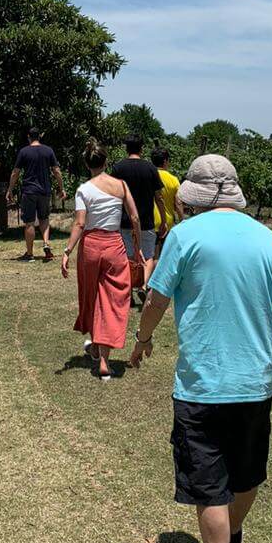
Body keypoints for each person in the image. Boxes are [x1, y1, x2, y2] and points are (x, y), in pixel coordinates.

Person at [128, 155, 272, 543]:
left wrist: (143, 340)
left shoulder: (185, 236)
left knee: (210, 486)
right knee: (245, 475)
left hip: (202, 384)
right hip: (255, 382)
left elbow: (157, 298)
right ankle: (231, 538)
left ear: (194, 198)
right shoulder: (267, 238)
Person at [61, 140, 143, 381]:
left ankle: (97, 347)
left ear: (87, 164)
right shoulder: (121, 186)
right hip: (114, 245)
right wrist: (136, 248)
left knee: (92, 296)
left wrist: (67, 251)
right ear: (106, 162)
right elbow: (135, 218)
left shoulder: (83, 189)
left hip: (91, 247)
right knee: (113, 298)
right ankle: (103, 357)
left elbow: (79, 223)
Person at [112, 135, 167, 292]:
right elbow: (159, 197)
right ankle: (143, 284)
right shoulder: (150, 168)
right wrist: (163, 220)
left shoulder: (118, 168)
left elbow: (114, 195)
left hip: (125, 220)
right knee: (148, 256)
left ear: (126, 148)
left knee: (128, 256)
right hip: (147, 220)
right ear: (142, 149)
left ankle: (128, 287)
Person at [6, 128, 66, 262]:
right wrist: (61, 188)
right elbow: (56, 171)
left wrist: (10, 189)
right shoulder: (48, 150)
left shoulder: (24, 151)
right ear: (40, 136)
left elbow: (15, 172)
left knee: (29, 222)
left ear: (28, 137)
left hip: (29, 191)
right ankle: (46, 243)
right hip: (45, 191)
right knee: (44, 219)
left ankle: (29, 254)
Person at [152, 147, 182, 241]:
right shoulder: (173, 180)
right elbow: (178, 203)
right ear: (165, 161)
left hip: (149, 223)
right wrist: (182, 220)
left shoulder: (148, 176)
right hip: (167, 224)